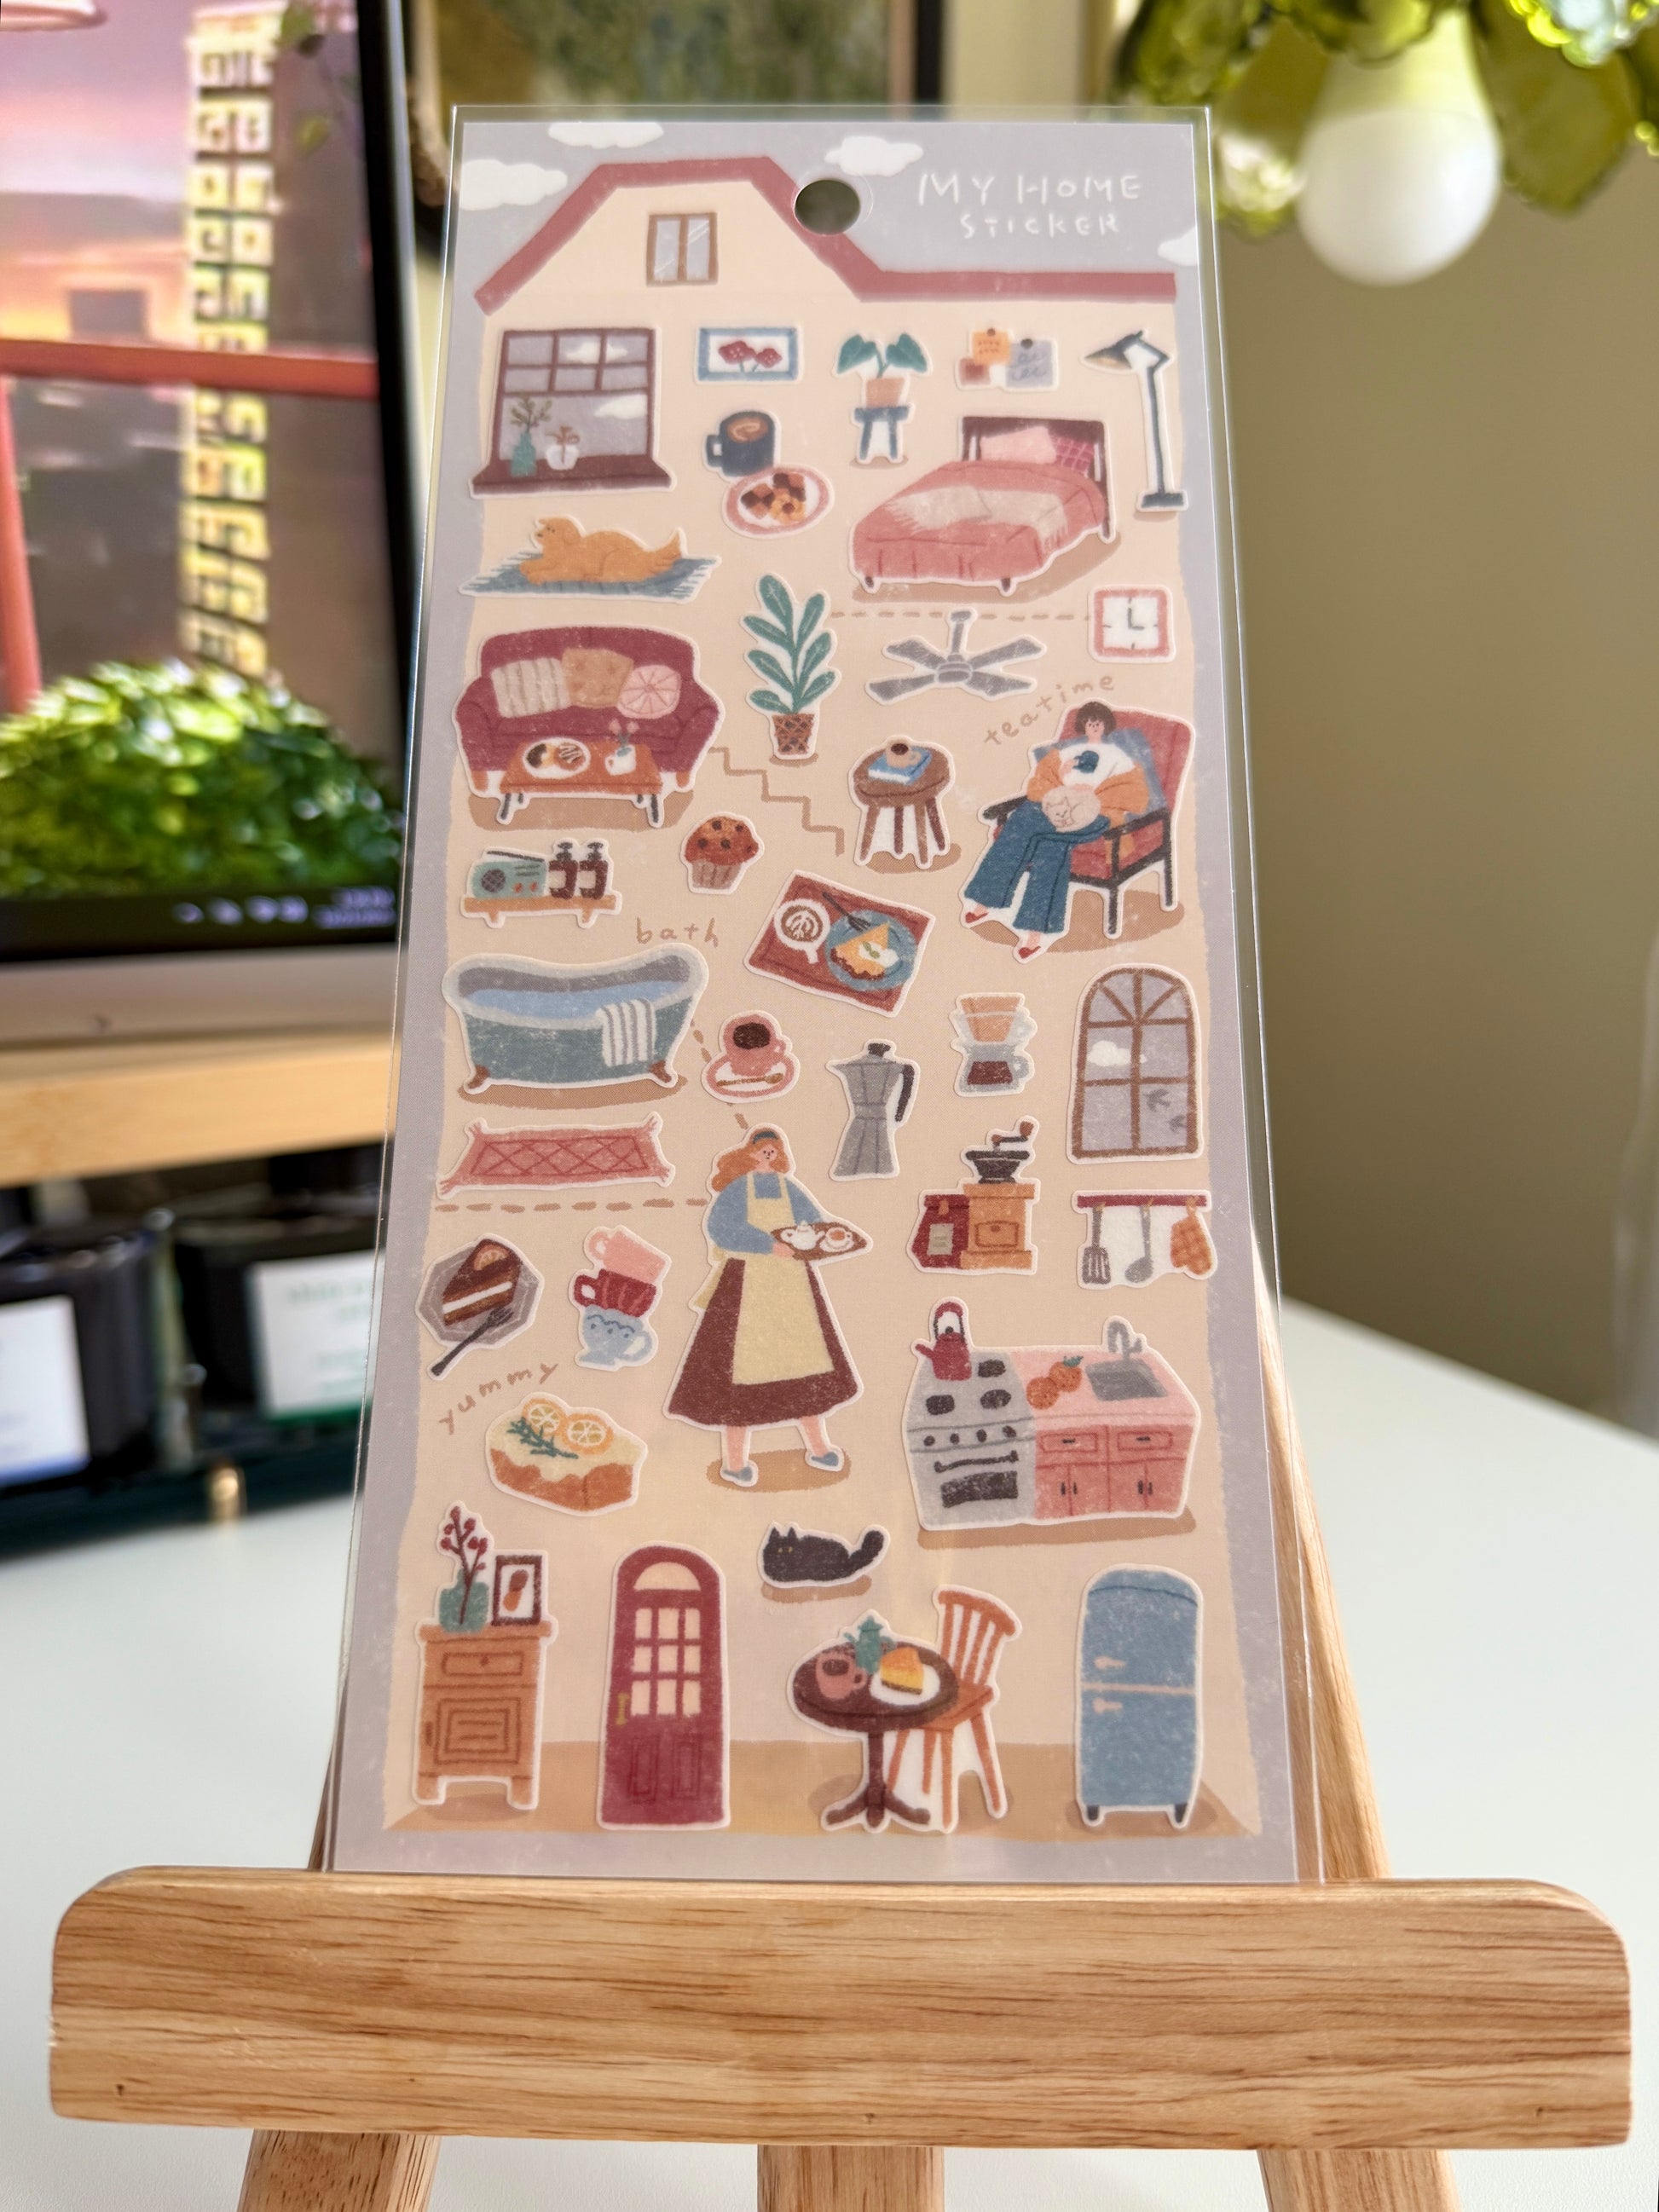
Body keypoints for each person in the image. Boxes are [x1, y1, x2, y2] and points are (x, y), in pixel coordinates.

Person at [666, 1127, 859, 1486]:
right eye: (763, 1150)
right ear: (751, 1153)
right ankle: (735, 1462)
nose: (769, 1155)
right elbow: (721, 1227)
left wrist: (823, 1239)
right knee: (739, 1369)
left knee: (805, 1357)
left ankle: (819, 1447)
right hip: (747, 1284)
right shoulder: (738, 1189)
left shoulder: (789, 1187)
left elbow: (814, 1221)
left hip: (793, 1287)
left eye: (774, 1150)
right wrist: (767, 1245)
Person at [962, 702, 1165, 958]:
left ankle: (1036, 934)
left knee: (1051, 846)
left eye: (1098, 723)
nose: (1094, 727)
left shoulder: (1118, 757)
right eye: (1089, 723)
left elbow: (1133, 793)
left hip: (1093, 811)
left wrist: (1094, 793)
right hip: (1058, 801)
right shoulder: (1068, 752)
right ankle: (985, 900)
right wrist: (1063, 775)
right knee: (1018, 825)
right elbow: (1043, 781)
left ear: (1105, 726)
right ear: (1083, 725)